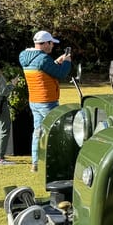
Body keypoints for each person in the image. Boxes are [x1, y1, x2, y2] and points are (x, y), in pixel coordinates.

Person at [19, 30, 71, 172]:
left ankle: (35, 163)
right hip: (47, 101)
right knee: (56, 131)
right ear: (45, 43)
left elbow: (43, 71)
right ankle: (58, 162)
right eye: (51, 43)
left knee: (38, 131)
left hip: (35, 100)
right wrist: (66, 62)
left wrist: (55, 62)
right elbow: (60, 73)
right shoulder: (43, 59)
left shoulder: (26, 57)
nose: (52, 46)